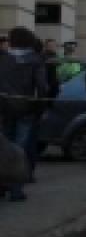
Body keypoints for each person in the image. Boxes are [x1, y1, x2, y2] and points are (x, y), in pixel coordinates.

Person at [0, 27, 50, 200]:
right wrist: (40, 109)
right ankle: (16, 189)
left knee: (4, 147)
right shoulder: (35, 60)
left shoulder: (3, 59)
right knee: (20, 149)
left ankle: (2, 185)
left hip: (5, 109)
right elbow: (42, 87)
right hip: (26, 109)